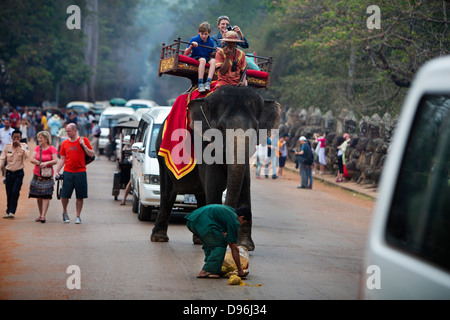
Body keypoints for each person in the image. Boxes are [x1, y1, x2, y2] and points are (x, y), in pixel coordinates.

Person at [185, 204, 252, 279]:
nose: (241, 224)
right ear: (242, 217)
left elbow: (222, 233)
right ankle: (206, 271)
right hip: (201, 223)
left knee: (213, 241)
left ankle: (212, 267)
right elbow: (234, 247)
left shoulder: (230, 211)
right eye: (243, 222)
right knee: (220, 244)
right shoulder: (234, 220)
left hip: (192, 220)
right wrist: (240, 270)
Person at [55, 123, 95, 224]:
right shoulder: (64, 143)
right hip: (68, 172)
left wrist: (83, 145)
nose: (67, 133)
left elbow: (91, 154)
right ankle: (65, 212)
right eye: (66, 131)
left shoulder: (84, 140)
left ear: (75, 130)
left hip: (80, 172)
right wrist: (57, 170)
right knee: (64, 195)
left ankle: (78, 216)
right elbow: (62, 159)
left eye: (69, 131)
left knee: (80, 196)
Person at [29, 131, 58, 223]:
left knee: (46, 195)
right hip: (37, 174)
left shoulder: (52, 148)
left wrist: (47, 163)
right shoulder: (37, 148)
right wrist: (41, 163)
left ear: (46, 139)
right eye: (39, 138)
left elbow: (55, 160)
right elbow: (32, 159)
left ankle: (43, 215)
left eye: (41, 138)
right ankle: (40, 214)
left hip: (47, 175)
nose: (39, 140)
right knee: (38, 196)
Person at [0, 129, 29, 218]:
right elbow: (2, 158)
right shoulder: (7, 146)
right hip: (9, 173)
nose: (16, 139)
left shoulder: (24, 146)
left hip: (19, 173)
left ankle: (12, 211)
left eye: (18, 137)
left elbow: (27, 156)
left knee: (15, 191)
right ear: (12, 137)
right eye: (14, 137)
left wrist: (20, 146)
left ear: (20, 138)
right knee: (9, 192)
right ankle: (8, 211)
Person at [185, 22, 216, 93]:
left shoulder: (211, 42)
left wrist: (216, 51)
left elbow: (211, 53)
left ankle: (208, 82)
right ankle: (200, 83)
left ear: (209, 34)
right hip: (196, 57)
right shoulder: (194, 39)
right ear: (199, 32)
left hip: (206, 57)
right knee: (203, 60)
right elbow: (186, 53)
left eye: (206, 34)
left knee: (213, 61)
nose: (204, 36)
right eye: (202, 34)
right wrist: (191, 46)